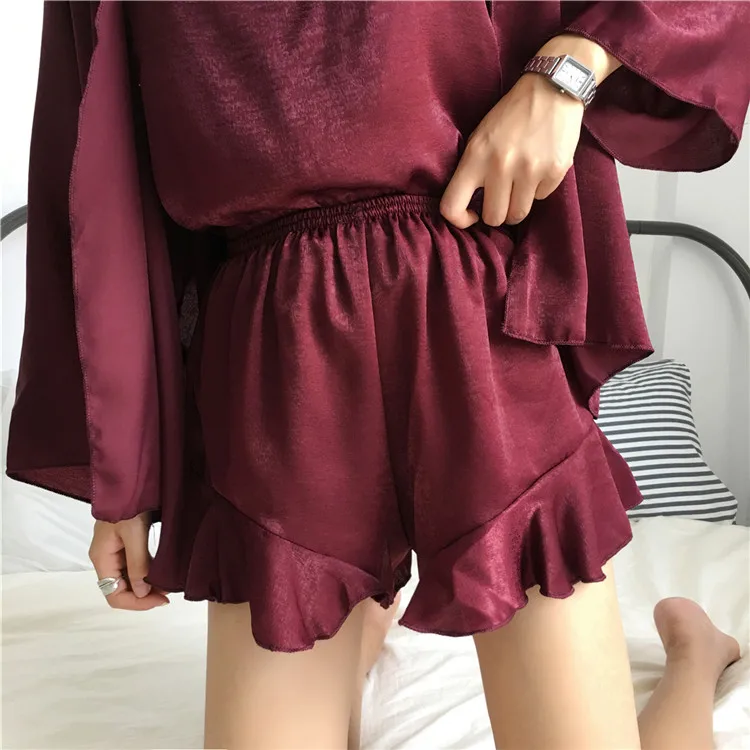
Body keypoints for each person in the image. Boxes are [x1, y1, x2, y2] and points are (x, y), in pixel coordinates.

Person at [6, 2, 748, 749]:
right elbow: (91, 168)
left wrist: (567, 74)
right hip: (271, 346)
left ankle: (694, 655)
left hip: (471, 289)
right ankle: (365, 620)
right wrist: (123, 474)